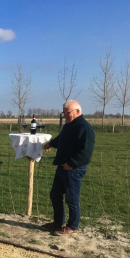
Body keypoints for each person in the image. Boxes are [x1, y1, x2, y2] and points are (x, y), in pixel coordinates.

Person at [42, 100, 95, 235]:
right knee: (55, 194)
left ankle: (72, 227)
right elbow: (62, 139)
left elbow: (86, 152)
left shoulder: (85, 128)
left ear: (77, 111)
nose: (65, 115)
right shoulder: (68, 126)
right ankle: (58, 223)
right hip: (62, 167)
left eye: (68, 112)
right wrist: (51, 144)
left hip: (74, 169)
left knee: (71, 199)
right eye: (64, 113)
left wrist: (71, 164)